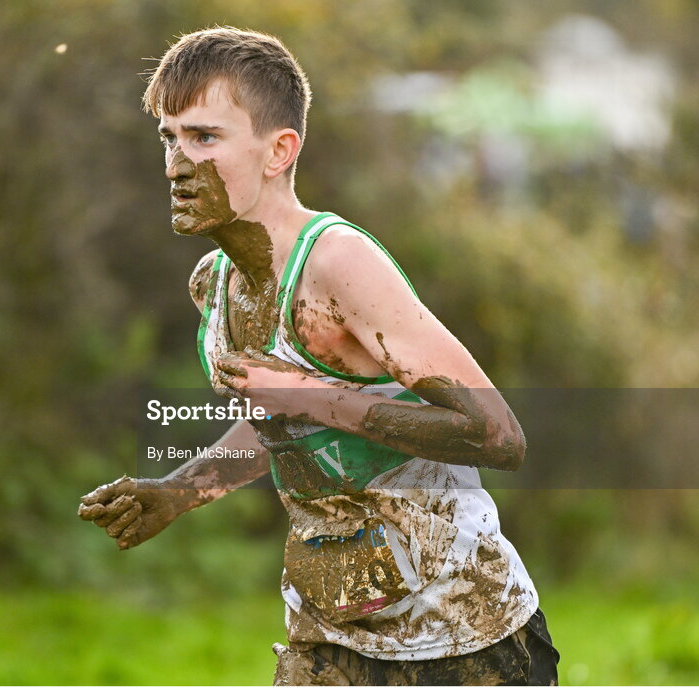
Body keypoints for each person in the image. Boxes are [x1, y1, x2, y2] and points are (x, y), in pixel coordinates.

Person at [78, 27, 560, 686]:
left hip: (462, 636)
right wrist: (176, 493)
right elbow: (280, 423)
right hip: (329, 635)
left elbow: (499, 435)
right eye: (169, 137)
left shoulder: (338, 265)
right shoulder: (211, 284)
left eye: (204, 137)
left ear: (280, 150)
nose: (174, 163)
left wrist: (313, 396)